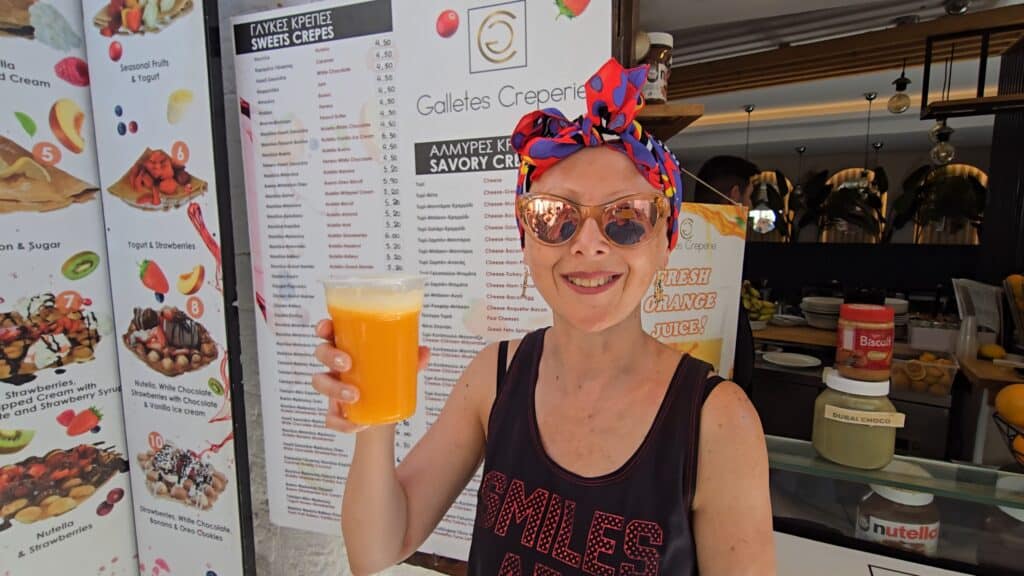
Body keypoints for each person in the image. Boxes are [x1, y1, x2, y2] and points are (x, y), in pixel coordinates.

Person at [311, 59, 775, 576]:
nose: (588, 245)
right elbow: (377, 549)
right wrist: (370, 414)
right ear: (525, 240)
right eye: (554, 216)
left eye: (626, 217)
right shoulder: (495, 376)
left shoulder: (718, 422)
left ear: (665, 242)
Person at [694, 155, 760, 394]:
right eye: (749, 196)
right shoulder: (729, 244)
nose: (750, 205)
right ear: (734, 194)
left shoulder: (675, 240)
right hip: (724, 382)